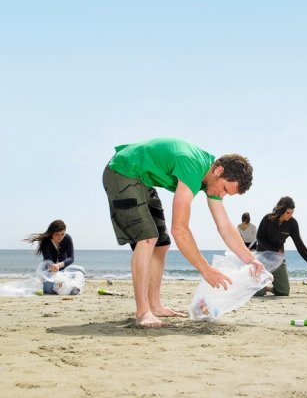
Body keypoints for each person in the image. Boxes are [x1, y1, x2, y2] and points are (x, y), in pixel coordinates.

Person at [102, 137, 264, 328]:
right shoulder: (192, 166)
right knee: (147, 238)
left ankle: (155, 305)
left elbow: (225, 227)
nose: (222, 195)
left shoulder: (211, 177)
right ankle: (143, 312)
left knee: (162, 245)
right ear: (219, 171)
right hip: (122, 171)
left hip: (142, 179)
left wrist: (250, 259)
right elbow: (179, 229)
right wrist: (206, 269)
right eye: (225, 190)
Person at [254, 196, 307, 297]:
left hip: (278, 259)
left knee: (283, 292)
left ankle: (268, 287)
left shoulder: (292, 224)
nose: (290, 215)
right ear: (281, 210)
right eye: (288, 213)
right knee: (259, 293)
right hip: (262, 256)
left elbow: (300, 245)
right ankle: (258, 286)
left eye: (292, 213)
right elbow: (259, 238)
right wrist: (274, 250)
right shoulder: (268, 218)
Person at [23, 220, 78, 294]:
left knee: (80, 270)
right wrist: (56, 277)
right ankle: (62, 287)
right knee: (47, 288)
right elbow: (48, 261)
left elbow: (71, 258)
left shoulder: (67, 238)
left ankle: (62, 287)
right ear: (51, 233)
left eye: (62, 234)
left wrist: (59, 265)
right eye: (57, 234)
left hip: (63, 270)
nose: (60, 237)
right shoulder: (46, 242)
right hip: (49, 271)